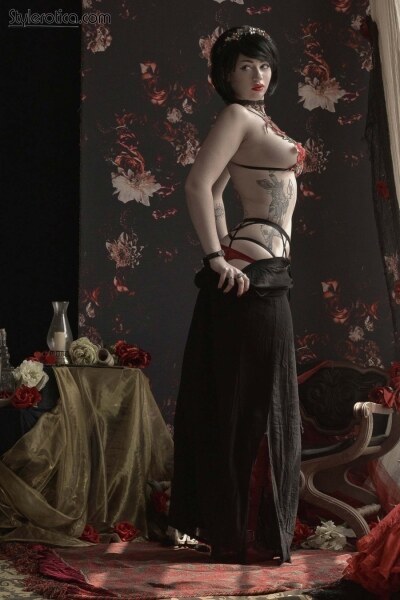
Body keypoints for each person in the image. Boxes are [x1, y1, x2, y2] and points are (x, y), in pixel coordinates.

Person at [168, 25, 303, 565]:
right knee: (249, 402)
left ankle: (246, 530)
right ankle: (239, 532)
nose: (258, 75)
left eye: (264, 65)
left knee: (257, 398)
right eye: (245, 66)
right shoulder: (235, 116)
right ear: (226, 74)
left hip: (265, 265)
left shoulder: (257, 118)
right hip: (254, 271)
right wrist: (216, 257)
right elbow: (198, 185)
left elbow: (222, 189)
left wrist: (226, 242)